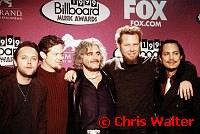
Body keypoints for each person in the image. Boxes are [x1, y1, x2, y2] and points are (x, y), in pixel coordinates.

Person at [66, 25, 196, 134]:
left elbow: (183, 64)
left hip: (145, 129)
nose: (132, 49)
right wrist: (74, 70)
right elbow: (90, 67)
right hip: (117, 130)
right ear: (118, 45)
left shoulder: (150, 63)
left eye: (135, 44)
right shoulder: (110, 66)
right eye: (127, 45)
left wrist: (186, 79)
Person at [68, 38, 115, 134]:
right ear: (80, 58)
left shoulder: (110, 80)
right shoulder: (74, 83)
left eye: (97, 53)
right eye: (90, 54)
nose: (95, 57)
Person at [0, 41, 48, 134]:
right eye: (24, 58)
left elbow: (41, 122)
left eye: (33, 59)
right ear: (15, 62)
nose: (29, 62)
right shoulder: (3, 87)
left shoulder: (41, 87)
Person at [154, 39, 199, 134]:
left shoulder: (192, 81)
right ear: (160, 58)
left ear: (181, 56)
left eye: (175, 53)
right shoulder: (156, 81)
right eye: (166, 54)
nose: (171, 58)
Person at [37, 35, 68, 134]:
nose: (60, 58)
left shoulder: (65, 75)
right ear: (43, 55)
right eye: (55, 54)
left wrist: (75, 71)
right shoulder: (33, 76)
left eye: (62, 54)